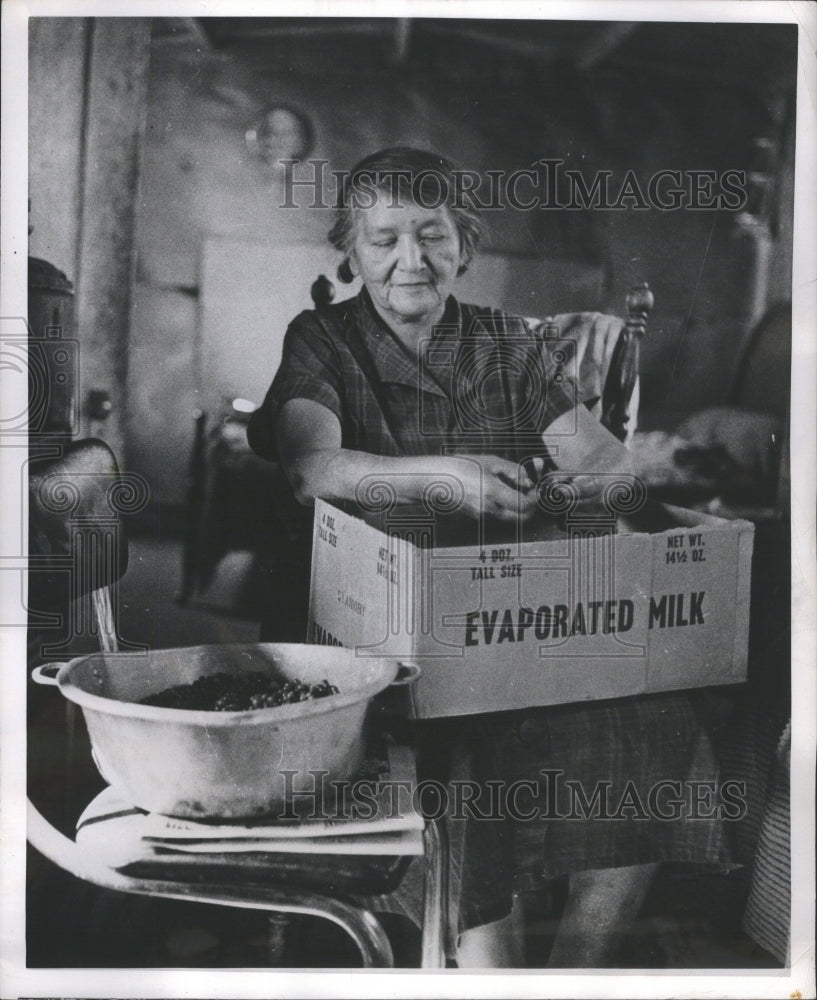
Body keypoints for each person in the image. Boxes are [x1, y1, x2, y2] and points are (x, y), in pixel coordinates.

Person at [248, 147, 732, 967]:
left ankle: (577, 970)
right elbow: (311, 469)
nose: (412, 259)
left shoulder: (511, 344)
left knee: (655, 724)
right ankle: (481, 966)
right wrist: (449, 477)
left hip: (511, 627)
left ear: (464, 247)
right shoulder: (323, 340)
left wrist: (590, 495)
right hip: (386, 637)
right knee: (464, 762)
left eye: (432, 235)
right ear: (352, 252)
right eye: (385, 238)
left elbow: (603, 466)